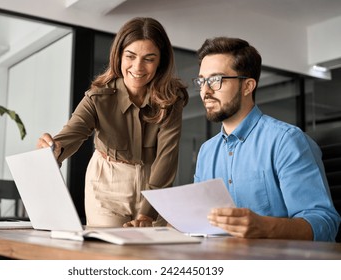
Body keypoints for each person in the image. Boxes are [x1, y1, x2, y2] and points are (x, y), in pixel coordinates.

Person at [37, 17, 188, 228]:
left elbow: (167, 157)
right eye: (131, 56)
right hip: (107, 183)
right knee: (110, 253)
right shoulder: (98, 97)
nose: (138, 67)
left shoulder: (171, 99)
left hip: (155, 183)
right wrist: (53, 148)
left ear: (161, 61)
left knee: (151, 254)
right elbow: (73, 132)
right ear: (118, 56)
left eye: (149, 58)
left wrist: (147, 214)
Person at [193, 36, 340, 241]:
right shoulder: (206, 152)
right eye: (201, 81)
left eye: (216, 80)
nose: (205, 91)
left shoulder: (287, 141)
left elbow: (324, 222)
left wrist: (266, 228)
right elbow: (201, 220)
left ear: (247, 86)